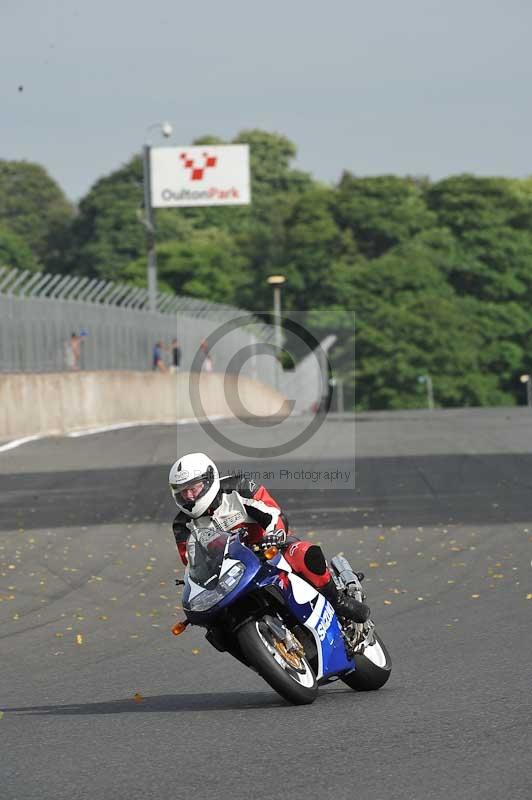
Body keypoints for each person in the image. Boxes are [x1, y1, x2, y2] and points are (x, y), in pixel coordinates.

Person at [168, 452, 370, 623]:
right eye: (183, 492)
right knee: (214, 621)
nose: (189, 497)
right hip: (231, 573)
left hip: (269, 550)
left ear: (208, 480)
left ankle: (338, 601)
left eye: (193, 488)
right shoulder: (182, 525)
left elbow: (273, 513)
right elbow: (192, 561)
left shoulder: (239, 486)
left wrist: (274, 533)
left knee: (304, 553)